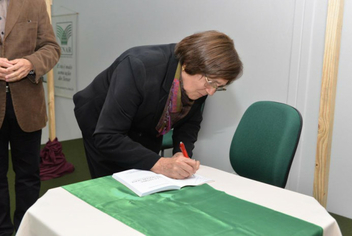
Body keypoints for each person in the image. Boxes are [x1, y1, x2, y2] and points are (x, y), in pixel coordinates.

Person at [74, 30, 243, 180]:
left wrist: (180, 153)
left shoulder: (202, 83)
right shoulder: (138, 65)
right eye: (211, 82)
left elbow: (189, 123)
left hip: (147, 119)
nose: (211, 91)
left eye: (218, 87)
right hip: (100, 119)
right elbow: (108, 136)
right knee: (113, 181)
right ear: (188, 64)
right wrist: (160, 163)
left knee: (146, 176)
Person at [0, 0, 61, 235]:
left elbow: (51, 47)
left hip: (27, 105)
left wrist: (30, 63)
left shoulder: (34, 3)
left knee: (28, 176)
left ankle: (25, 230)